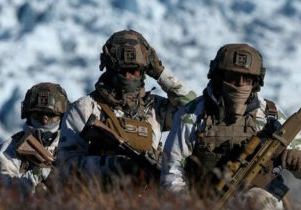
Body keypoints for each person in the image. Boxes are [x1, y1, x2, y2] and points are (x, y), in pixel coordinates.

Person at [161, 43, 301, 210]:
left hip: (259, 204)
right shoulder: (192, 115)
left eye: (247, 79)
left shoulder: (269, 114)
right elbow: (172, 172)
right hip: (206, 205)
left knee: (263, 204)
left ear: (256, 82)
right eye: (232, 77)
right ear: (218, 77)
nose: (240, 84)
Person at [57, 30, 196, 185]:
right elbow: (65, 167)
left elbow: (193, 109)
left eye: (134, 70)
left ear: (144, 71)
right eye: (122, 70)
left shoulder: (156, 109)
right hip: (100, 200)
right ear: (110, 68)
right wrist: (113, 165)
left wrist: (160, 73)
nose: (129, 76)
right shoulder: (85, 108)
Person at [0, 82, 68, 194]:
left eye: (51, 116)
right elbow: (1, 192)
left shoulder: (71, 143)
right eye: (38, 115)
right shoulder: (10, 148)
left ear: (62, 117)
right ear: (28, 115)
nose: (45, 121)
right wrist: (36, 176)